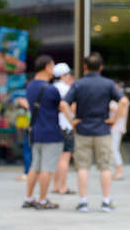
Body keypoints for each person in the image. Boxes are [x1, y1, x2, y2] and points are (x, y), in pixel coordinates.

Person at [61, 53, 129, 212]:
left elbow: (64, 104)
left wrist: (72, 121)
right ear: (101, 67)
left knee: (82, 167)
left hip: (82, 129)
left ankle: (83, 202)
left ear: (85, 67)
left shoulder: (78, 84)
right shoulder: (108, 84)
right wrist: (114, 120)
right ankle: (105, 201)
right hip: (103, 130)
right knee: (105, 167)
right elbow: (124, 102)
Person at [21, 55, 66, 210]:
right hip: (51, 132)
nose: (53, 70)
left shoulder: (30, 86)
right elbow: (60, 107)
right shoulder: (51, 89)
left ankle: (28, 197)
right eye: (52, 66)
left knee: (35, 166)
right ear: (47, 66)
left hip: (35, 131)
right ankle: (42, 200)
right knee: (47, 168)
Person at [51, 63, 76, 194]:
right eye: (68, 74)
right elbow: (71, 108)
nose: (70, 77)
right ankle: (63, 186)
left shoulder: (52, 88)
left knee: (56, 158)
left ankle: (55, 185)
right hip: (66, 125)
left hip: (54, 125)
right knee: (64, 158)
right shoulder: (67, 89)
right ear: (63, 76)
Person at [109, 82, 130, 180]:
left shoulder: (123, 100)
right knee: (112, 149)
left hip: (117, 127)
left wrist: (112, 108)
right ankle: (116, 171)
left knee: (114, 149)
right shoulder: (114, 99)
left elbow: (122, 113)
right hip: (111, 127)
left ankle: (119, 171)